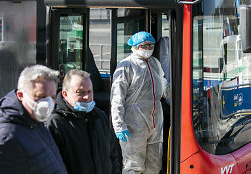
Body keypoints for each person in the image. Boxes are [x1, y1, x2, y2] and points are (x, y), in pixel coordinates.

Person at [0, 65, 68, 174]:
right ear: (21, 95)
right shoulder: (5, 138)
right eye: (40, 97)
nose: (47, 103)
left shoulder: (33, 121)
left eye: (52, 97)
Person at [111, 31, 170, 174]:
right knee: (134, 166)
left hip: (155, 123)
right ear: (135, 46)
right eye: (144, 45)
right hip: (133, 124)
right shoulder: (126, 65)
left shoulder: (155, 63)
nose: (148, 48)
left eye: (151, 45)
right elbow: (117, 98)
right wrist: (119, 125)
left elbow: (164, 88)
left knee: (154, 166)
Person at [46, 69, 121, 174]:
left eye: (89, 92)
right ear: (65, 94)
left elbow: (112, 156)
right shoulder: (55, 124)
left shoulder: (100, 117)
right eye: (80, 92)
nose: (87, 97)